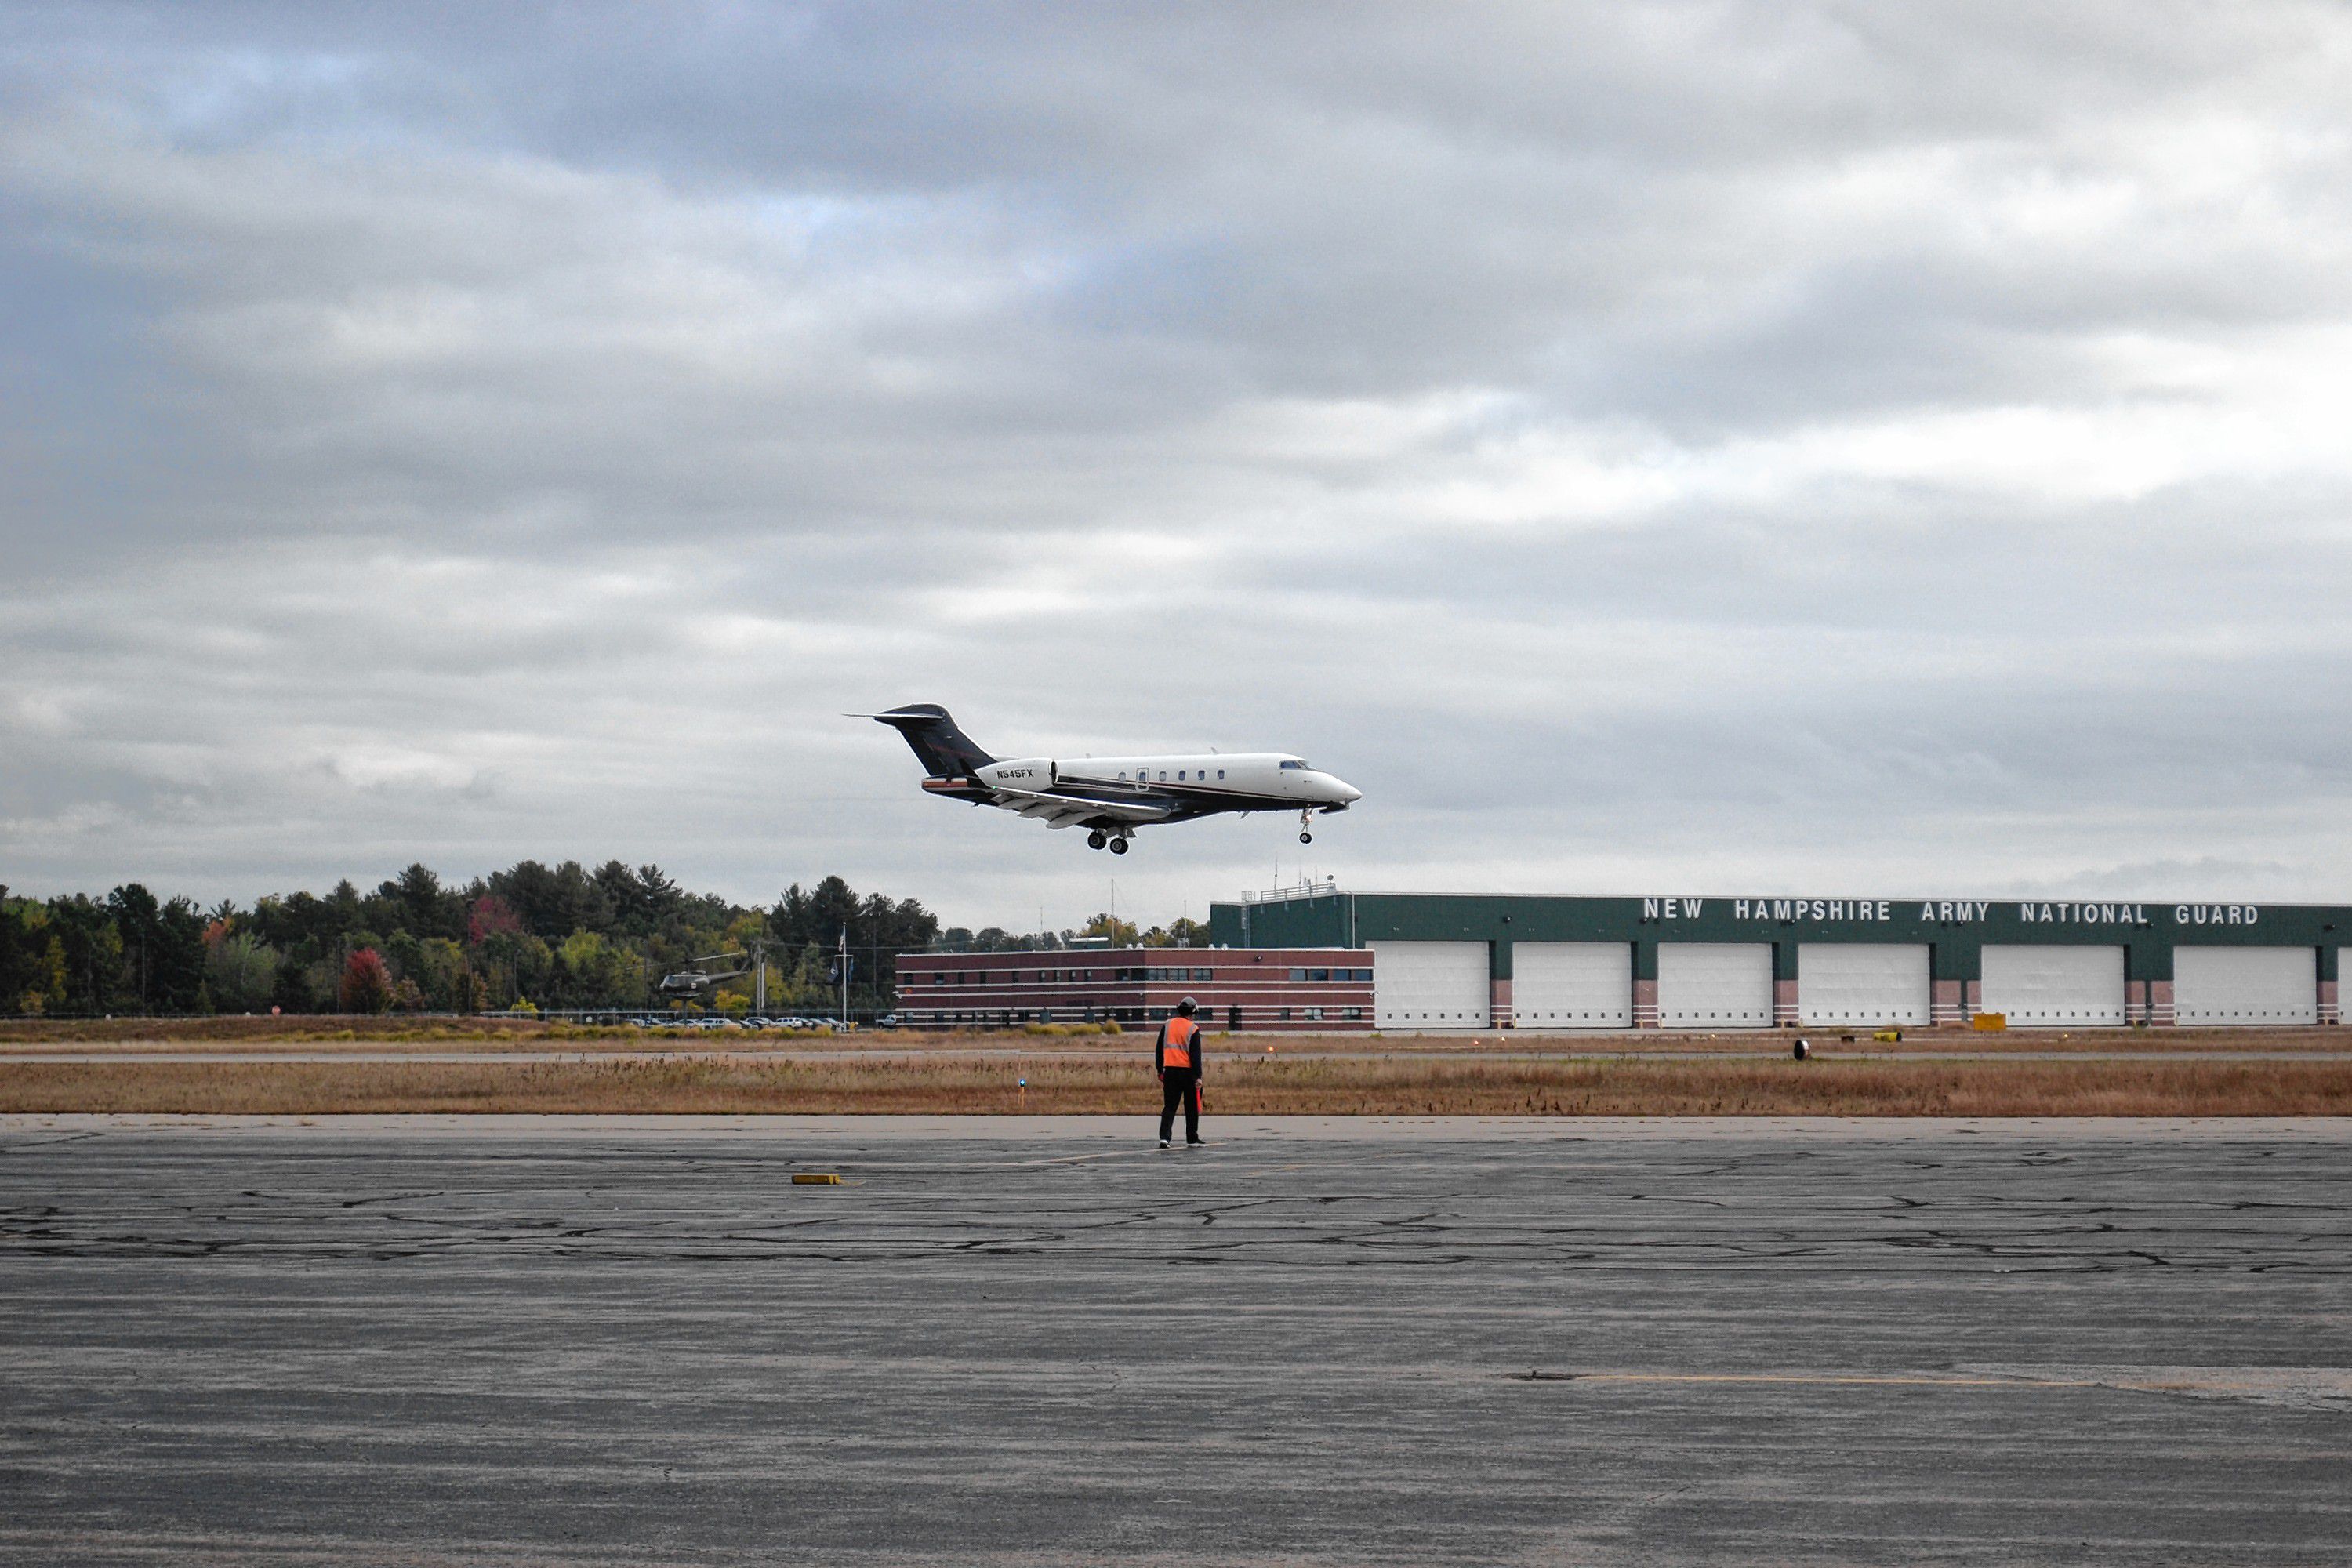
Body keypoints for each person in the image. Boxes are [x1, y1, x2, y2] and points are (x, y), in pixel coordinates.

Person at [1155, 996, 1205, 1148]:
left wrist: (1160, 1070)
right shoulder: (1193, 1029)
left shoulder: (1167, 1025)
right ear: (1193, 1012)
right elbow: (1196, 1056)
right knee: (1191, 1107)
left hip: (1170, 1072)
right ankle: (1192, 1138)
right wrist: (1198, 1077)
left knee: (1169, 1107)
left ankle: (1164, 1138)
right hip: (1188, 1073)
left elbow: (1159, 1050)